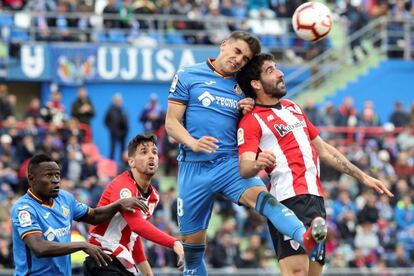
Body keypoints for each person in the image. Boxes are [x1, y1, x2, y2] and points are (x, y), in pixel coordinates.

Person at [165, 31, 327, 275]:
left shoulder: (243, 86)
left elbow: (258, 114)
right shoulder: (188, 75)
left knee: (267, 202)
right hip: (193, 168)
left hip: (229, 164)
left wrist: (247, 108)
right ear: (224, 45)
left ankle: (306, 238)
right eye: (237, 51)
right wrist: (193, 142)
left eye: (245, 58)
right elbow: (171, 123)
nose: (239, 60)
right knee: (192, 252)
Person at [236, 53, 394, 275]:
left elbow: (324, 150)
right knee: (297, 272)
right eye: (271, 70)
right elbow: (244, 168)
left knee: (313, 273)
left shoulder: (293, 107)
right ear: (256, 84)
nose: (281, 73)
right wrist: (257, 163)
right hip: (288, 200)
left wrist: (362, 176)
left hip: (315, 199)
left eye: (277, 68)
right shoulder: (252, 120)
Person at [10, 153, 149, 276]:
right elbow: (39, 247)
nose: (55, 180)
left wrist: (118, 205)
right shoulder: (24, 209)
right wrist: (82, 245)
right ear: (31, 178)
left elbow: (94, 216)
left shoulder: (65, 198)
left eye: (57, 175)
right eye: (49, 175)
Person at [85, 133, 184, 276]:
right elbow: (137, 224)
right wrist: (175, 243)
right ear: (131, 161)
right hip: (102, 259)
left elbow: (134, 235)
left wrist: (149, 274)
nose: (151, 156)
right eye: (144, 152)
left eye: (154, 152)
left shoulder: (153, 197)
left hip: (121, 263)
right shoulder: (123, 186)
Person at [104, 93, 129, 161]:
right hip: (114, 134)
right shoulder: (110, 110)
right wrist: (111, 129)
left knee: (123, 151)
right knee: (112, 150)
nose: (118, 102)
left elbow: (127, 122)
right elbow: (105, 121)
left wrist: (126, 131)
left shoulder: (123, 111)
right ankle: (111, 166)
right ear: (114, 101)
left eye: (119, 101)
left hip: (123, 134)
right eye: (117, 100)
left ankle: (122, 166)